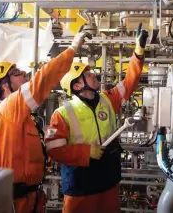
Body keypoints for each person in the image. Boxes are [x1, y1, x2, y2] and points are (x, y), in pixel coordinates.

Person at [0, 31, 92, 213]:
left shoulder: (20, 116)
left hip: (29, 199)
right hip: (15, 202)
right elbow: (43, 81)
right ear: (4, 85)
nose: (24, 73)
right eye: (16, 73)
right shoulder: (6, 108)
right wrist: (71, 50)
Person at [44, 23, 148, 213]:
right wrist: (85, 153)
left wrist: (138, 53)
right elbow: (54, 150)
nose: (94, 76)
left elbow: (129, 82)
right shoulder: (63, 114)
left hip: (107, 179)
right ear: (76, 86)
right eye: (88, 75)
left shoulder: (108, 100)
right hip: (81, 185)